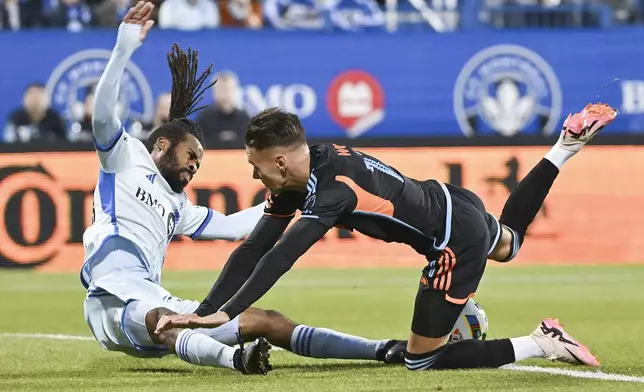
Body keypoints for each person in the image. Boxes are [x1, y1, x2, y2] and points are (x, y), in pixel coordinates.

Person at [156, 102, 618, 371]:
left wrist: (226, 314)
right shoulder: (311, 164)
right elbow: (254, 247)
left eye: (255, 166)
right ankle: (564, 147)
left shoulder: (331, 193)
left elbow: (278, 258)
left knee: (422, 360)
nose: (255, 176)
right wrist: (202, 313)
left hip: (452, 243)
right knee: (510, 243)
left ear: (278, 162)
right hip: (452, 201)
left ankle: (543, 342)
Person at [82, 1, 408, 376]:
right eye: (190, 155)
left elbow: (238, 226)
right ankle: (237, 360)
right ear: (161, 145)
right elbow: (104, 114)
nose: (194, 165)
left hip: (151, 295)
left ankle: (382, 349)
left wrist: (310, 196)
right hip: (111, 297)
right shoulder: (124, 160)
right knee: (165, 318)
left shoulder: (179, 205)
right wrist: (124, 46)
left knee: (265, 320)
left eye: (199, 162)